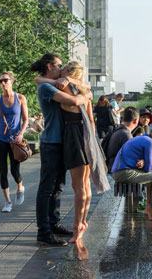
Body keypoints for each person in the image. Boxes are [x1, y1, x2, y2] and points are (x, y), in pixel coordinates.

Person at [36, 61, 109, 243]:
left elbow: (75, 101)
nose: (62, 69)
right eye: (60, 66)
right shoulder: (80, 89)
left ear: (70, 73)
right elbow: (91, 119)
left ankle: (77, 227)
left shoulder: (68, 87)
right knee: (84, 185)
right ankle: (81, 223)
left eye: (66, 67)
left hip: (73, 135)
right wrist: (91, 140)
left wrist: (71, 82)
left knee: (78, 187)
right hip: (84, 135)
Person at [31, 53, 88, 246]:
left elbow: (84, 86)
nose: (62, 68)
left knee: (58, 187)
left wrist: (79, 86)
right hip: (51, 143)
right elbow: (74, 101)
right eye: (59, 65)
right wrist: (86, 95)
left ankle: (54, 224)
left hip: (62, 142)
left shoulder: (54, 83)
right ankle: (43, 231)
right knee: (46, 188)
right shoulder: (46, 87)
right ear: (49, 67)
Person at [110, 130, 152, 221]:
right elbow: (148, 168)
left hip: (120, 171)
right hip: (123, 173)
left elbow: (147, 167)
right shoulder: (150, 142)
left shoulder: (144, 138)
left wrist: (146, 162)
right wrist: (148, 163)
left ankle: (149, 208)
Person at [0, 71, 29, 212]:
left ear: (11, 81)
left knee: (14, 170)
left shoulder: (20, 98)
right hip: (0, 139)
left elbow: (26, 120)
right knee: (3, 171)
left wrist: (21, 134)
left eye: (5, 80)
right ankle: (7, 202)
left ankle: (20, 186)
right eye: (1, 81)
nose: (3, 83)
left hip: (15, 141)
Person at [105, 106, 139, 172]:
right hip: (119, 170)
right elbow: (131, 158)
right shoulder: (126, 135)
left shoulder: (117, 129)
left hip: (111, 166)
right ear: (135, 120)